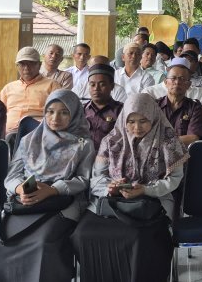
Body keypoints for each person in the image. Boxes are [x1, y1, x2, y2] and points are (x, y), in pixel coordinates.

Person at [72, 92, 187, 282]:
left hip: (153, 200)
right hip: (112, 201)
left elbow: (174, 179)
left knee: (139, 238)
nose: (136, 127)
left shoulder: (168, 141)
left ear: (153, 117)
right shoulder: (112, 140)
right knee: (83, 234)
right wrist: (110, 187)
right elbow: (97, 178)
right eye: (131, 122)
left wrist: (145, 189)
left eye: (143, 121)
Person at [0, 89, 95, 282]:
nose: (55, 118)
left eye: (64, 112)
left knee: (43, 242)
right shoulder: (29, 140)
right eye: (50, 111)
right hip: (25, 200)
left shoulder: (83, 144)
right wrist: (19, 188)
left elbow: (83, 180)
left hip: (62, 201)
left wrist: (53, 190)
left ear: (75, 114)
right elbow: (12, 175)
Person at [0, 47, 60, 136]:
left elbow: (58, 113)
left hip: (37, 134)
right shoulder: (8, 88)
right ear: (17, 66)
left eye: (31, 63)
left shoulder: (52, 85)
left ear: (39, 65)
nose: (26, 68)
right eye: (22, 64)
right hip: (7, 134)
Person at [158, 62, 202, 145]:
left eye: (182, 79)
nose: (177, 82)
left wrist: (164, 143)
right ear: (166, 82)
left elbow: (193, 138)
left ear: (188, 85)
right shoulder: (155, 105)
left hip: (184, 152)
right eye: (173, 78)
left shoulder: (195, 107)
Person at [82, 64, 125, 150]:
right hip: (83, 156)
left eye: (102, 84)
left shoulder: (121, 111)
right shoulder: (81, 110)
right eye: (92, 85)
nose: (96, 89)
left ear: (112, 86)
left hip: (110, 156)